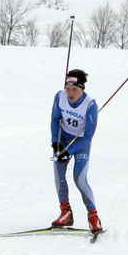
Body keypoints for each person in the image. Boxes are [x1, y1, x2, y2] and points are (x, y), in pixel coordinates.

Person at [50, 69, 103, 233]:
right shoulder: (60, 97)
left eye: (75, 89)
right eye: (68, 88)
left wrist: (69, 150)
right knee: (59, 175)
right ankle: (65, 213)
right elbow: (54, 119)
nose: (70, 93)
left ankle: (93, 217)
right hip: (64, 140)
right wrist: (56, 144)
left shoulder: (90, 105)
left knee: (79, 178)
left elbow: (88, 136)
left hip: (81, 143)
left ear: (82, 89)